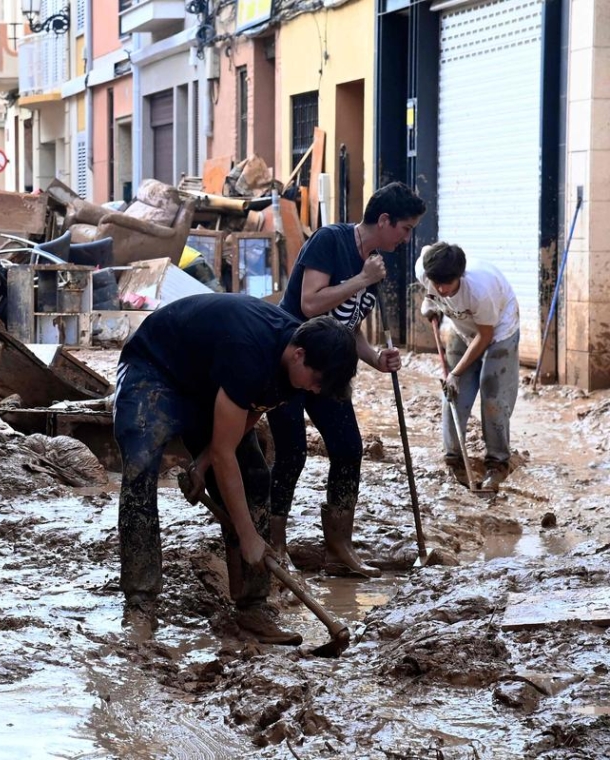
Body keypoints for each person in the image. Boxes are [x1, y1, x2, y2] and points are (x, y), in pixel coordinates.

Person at [113, 293, 358, 644]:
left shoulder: (297, 366)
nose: (317, 389)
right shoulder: (252, 353)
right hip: (155, 367)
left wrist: (203, 462)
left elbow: (255, 407)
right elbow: (227, 451)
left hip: (212, 381)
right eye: (317, 380)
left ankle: (252, 609)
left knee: (256, 478)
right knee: (140, 467)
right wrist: (247, 535)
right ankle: (140, 603)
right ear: (299, 354)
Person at [266, 181, 426, 577]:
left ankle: (339, 546)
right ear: (384, 220)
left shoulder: (376, 263)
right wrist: (361, 279)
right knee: (292, 452)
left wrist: (374, 357)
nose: (407, 239)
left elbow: (349, 323)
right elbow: (310, 302)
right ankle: (274, 544)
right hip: (294, 361)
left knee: (349, 447)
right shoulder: (330, 241)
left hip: (333, 367)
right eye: (405, 229)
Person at [416, 242, 520, 490]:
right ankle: (454, 461)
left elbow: (484, 337)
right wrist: (430, 301)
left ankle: (497, 464)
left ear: (460, 276)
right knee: (453, 395)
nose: (441, 289)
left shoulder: (480, 290)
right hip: (462, 328)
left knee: (493, 396)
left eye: (447, 285)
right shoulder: (425, 270)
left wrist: (455, 372)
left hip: (498, 332)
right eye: (435, 284)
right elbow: (427, 252)